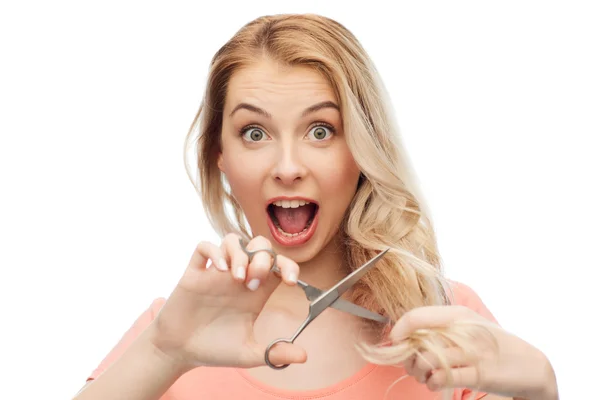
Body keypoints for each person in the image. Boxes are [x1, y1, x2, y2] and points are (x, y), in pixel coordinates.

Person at [74, 13, 558, 400]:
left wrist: (540, 384)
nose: (288, 167)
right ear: (218, 154)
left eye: (321, 131)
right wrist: (165, 351)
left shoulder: (444, 321)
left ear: (364, 150)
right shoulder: (177, 328)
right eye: (255, 133)